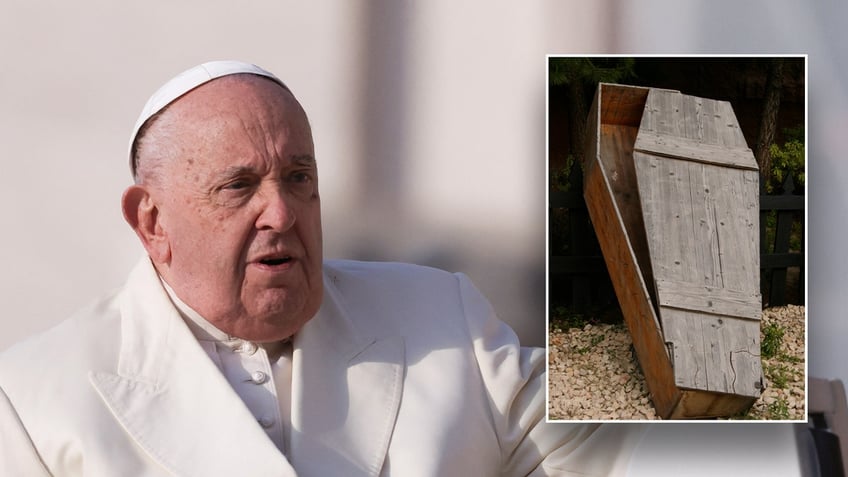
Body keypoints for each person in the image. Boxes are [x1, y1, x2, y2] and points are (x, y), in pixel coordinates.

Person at [0, 61, 644, 476]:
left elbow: (606, 442)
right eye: (238, 186)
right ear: (152, 222)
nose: (280, 211)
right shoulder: (33, 400)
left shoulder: (439, 315)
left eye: (299, 177)